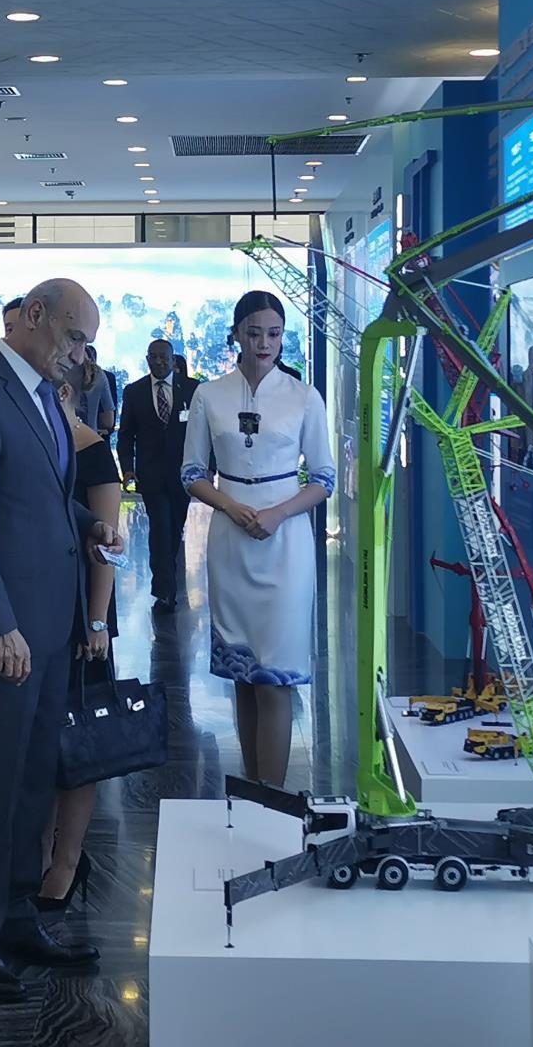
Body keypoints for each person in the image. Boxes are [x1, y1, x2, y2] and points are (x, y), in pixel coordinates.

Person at [0, 279, 122, 1001]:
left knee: (32, 781)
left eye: (87, 345)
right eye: (74, 338)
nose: (79, 355)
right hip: (6, 631)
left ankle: (16, 915)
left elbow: (41, 497)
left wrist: (90, 525)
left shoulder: (46, 395)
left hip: (50, 624)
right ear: (36, 316)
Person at [182, 291, 335, 787]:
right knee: (243, 678)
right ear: (236, 335)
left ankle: (272, 800)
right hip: (230, 538)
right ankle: (252, 793)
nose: (264, 342)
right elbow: (191, 473)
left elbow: (324, 478)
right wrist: (230, 506)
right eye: (254, 333)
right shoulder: (210, 394)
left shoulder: (304, 396)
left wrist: (277, 513)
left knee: (275, 679)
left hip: (285, 543)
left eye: (274, 333)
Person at [38, 378, 122, 911]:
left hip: (82, 609)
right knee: (45, 738)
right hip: (39, 605)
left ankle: (68, 858)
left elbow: (107, 543)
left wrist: (96, 620)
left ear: (66, 395)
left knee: (81, 739)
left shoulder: (93, 452)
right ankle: (42, 851)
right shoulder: (38, 446)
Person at [117, 338, 197, 613]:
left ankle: (168, 577)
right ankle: (164, 590)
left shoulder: (192, 389)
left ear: (173, 360)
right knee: (160, 528)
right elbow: (126, 435)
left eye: (164, 357)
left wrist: (208, 466)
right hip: (151, 475)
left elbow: (204, 430)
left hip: (183, 474)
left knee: (175, 528)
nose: (159, 361)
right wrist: (128, 469)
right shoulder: (134, 391)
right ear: (147, 359)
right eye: (154, 357)